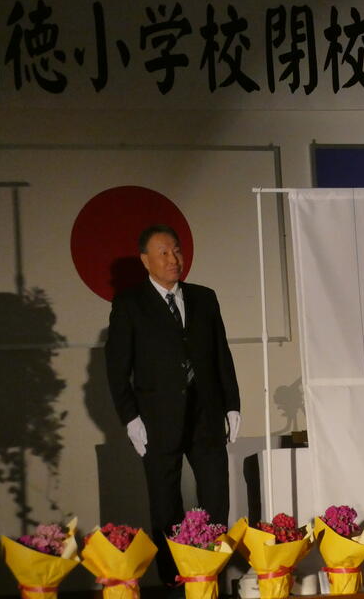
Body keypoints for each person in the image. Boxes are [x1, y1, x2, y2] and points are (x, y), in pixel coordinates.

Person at [105, 224, 241, 586]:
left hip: (206, 415)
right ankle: (173, 582)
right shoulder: (130, 304)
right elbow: (117, 368)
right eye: (163, 253)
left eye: (176, 250)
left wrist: (232, 404)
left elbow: (221, 355)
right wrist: (130, 417)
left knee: (216, 498)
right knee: (165, 505)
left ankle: (211, 578)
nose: (173, 259)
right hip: (157, 420)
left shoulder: (204, 298)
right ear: (145, 260)